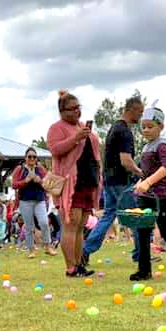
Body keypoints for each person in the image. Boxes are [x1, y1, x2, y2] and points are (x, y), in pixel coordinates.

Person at [82, 96, 144, 264]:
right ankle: (140, 254)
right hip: (121, 181)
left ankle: (86, 250)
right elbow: (126, 161)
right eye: (140, 112)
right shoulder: (124, 131)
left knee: (108, 215)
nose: (141, 116)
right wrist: (140, 173)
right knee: (135, 216)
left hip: (109, 180)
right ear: (132, 109)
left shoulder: (114, 128)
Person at [130, 104, 166, 279]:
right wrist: (141, 181)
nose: (146, 130)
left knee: (164, 227)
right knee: (142, 230)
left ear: (160, 127)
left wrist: (148, 182)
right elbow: (146, 171)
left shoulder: (162, 145)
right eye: (143, 127)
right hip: (145, 194)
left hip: (159, 195)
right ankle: (144, 269)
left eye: (150, 127)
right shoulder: (146, 147)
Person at [48, 91, 101, 277]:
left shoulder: (82, 127)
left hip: (87, 182)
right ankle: (70, 267)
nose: (77, 112)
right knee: (70, 224)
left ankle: (79, 264)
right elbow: (55, 149)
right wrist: (76, 138)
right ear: (62, 111)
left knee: (81, 226)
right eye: (73, 108)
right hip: (71, 184)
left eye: (79, 108)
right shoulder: (57, 128)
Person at [11, 148, 55, 258]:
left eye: (34, 157)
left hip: (39, 200)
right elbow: (14, 185)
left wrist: (39, 180)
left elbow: (47, 184)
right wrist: (25, 181)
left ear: (36, 158)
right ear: (25, 158)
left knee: (44, 223)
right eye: (29, 156)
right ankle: (31, 250)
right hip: (25, 201)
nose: (32, 159)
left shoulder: (40, 169)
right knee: (29, 226)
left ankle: (48, 246)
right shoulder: (19, 169)